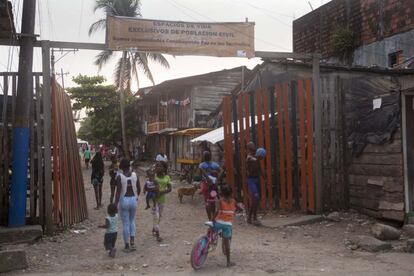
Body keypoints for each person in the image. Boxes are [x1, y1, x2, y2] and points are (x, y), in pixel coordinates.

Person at [114, 158, 141, 252]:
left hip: (124, 200)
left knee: (125, 223)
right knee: (132, 221)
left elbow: (118, 193)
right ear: (129, 166)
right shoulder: (135, 175)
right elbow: (139, 188)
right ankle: (133, 242)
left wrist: (115, 204)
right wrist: (136, 197)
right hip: (134, 199)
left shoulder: (119, 177)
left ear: (121, 166)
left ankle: (126, 245)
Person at [213, 185, 236, 267]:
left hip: (219, 222)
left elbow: (216, 211)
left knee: (211, 229)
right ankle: (228, 262)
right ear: (231, 193)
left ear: (222, 193)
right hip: (227, 224)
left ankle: (209, 241)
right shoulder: (233, 201)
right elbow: (233, 211)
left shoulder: (220, 201)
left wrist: (212, 219)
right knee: (227, 244)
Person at [246, 142, 266, 226]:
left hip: (257, 180)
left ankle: (251, 217)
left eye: (254, 145)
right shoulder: (249, 157)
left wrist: (264, 177)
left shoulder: (255, 157)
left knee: (256, 199)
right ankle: (253, 218)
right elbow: (253, 160)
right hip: (251, 180)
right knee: (256, 197)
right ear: (249, 148)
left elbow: (259, 168)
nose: (254, 146)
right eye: (252, 145)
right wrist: (258, 158)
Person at [199, 151, 223, 220]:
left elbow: (200, 174)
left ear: (203, 157)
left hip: (205, 186)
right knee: (212, 200)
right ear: (210, 157)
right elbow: (221, 171)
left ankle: (210, 218)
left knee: (207, 201)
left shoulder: (201, 165)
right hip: (214, 186)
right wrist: (217, 179)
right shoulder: (215, 165)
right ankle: (213, 217)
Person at [153, 161, 172, 242]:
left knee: (159, 216)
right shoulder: (153, 177)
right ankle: (158, 235)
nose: (157, 168)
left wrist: (162, 192)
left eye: (160, 166)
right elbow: (147, 186)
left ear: (164, 168)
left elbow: (170, 189)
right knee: (156, 216)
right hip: (153, 200)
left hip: (162, 199)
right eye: (156, 166)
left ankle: (154, 228)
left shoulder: (167, 177)